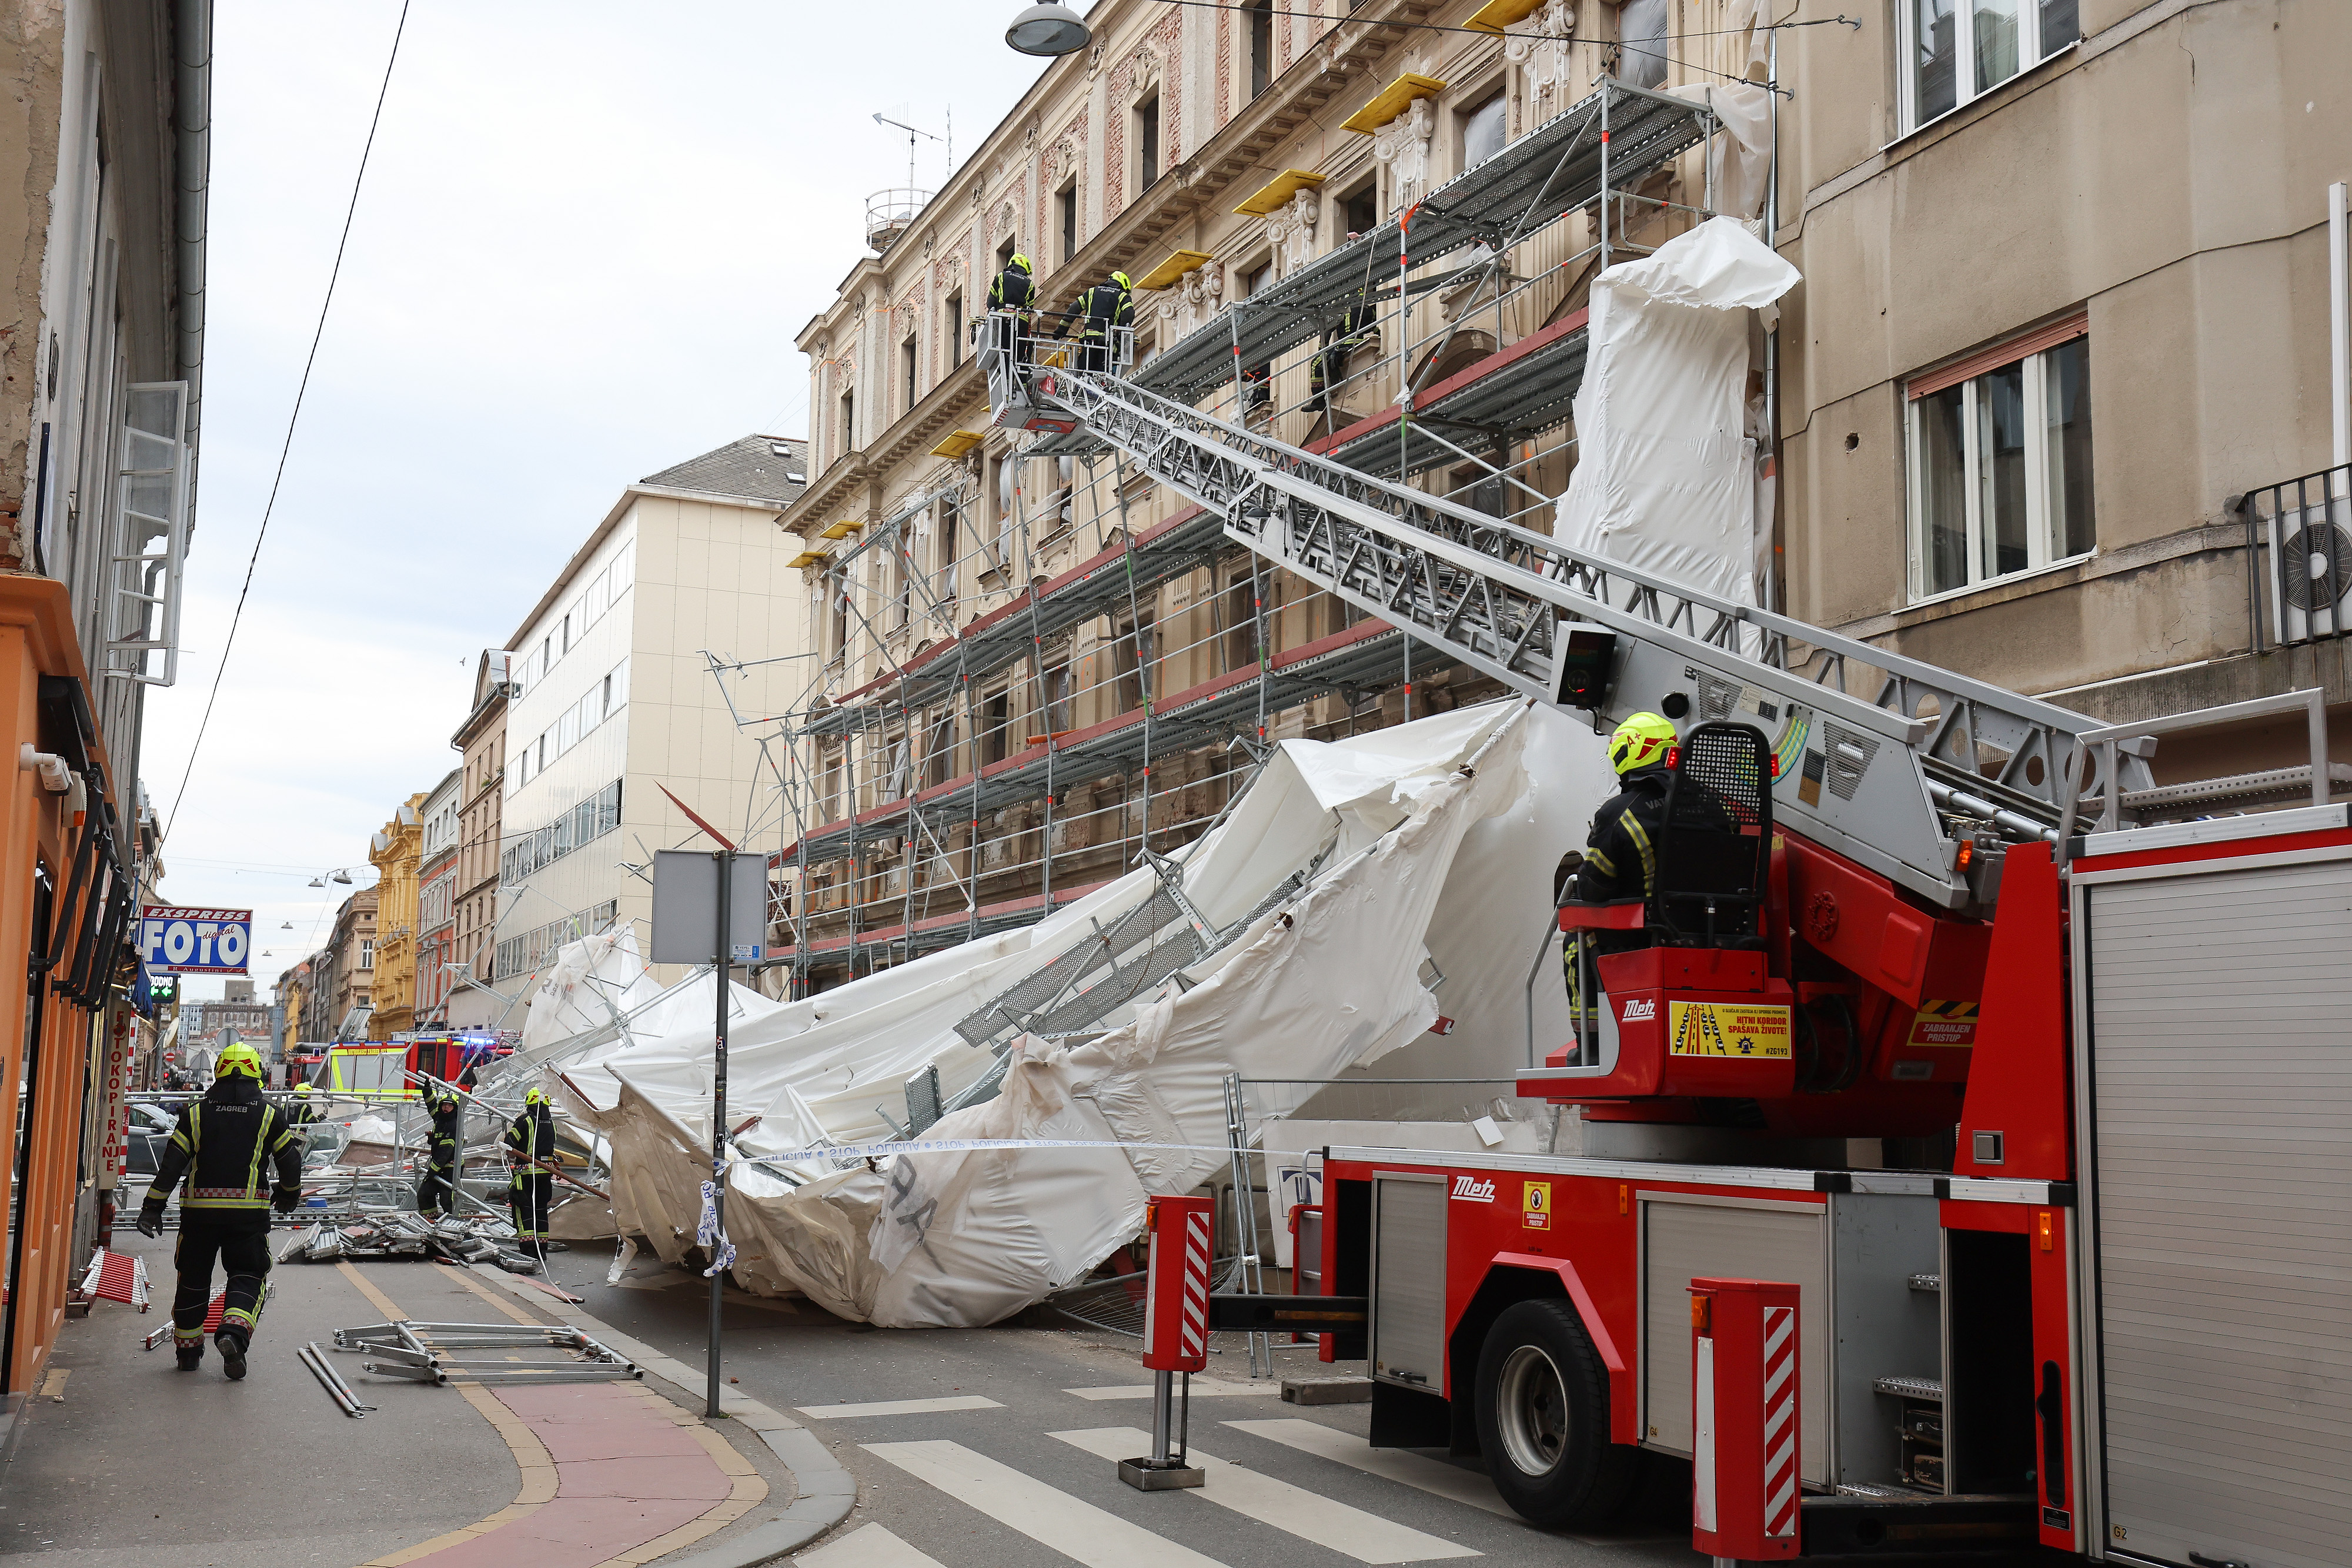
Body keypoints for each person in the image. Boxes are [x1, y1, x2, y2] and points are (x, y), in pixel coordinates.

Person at [136, 1043, 302, 1378]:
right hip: (248, 1216)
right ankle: (232, 1335)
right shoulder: (268, 1114)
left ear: (219, 1072)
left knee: (193, 1280)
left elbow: (172, 1165)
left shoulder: (196, 1113)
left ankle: (187, 1353)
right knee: (248, 1275)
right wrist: (288, 1194)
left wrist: (152, 1207)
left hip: (199, 1216)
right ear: (257, 1071)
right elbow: (290, 1161)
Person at [1563, 713, 1679, 1015]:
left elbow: (1593, 891)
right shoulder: (1712, 803)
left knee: (1576, 938)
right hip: (1715, 933)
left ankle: (1591, 1039)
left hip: (1644, 935)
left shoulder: (1620, 812)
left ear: (1629, 751)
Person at [502, 1086, 558, 1259]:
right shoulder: (552, 1123)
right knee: (541, 1209)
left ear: (529, 1102)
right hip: (544, 1176)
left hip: (526, 1176)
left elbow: (510, 1146)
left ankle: (528, 1249)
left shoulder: (524, 1120)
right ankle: (542, 1249)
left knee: (523, 1210)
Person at [1071, 270, 1134, 373]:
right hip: (1106, 342)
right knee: (1102, 374)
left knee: (1084, 371)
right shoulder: (1122, 295)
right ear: (1124, 286)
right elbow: (1129, 314)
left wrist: (1061, 329)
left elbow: (1074, 308)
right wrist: (1122, 333)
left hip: (1089, 339)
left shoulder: (1092, 292)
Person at [417, 1087, 463, 1219]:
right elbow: (431, 1105)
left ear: (455, 1109)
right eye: (444, 1105)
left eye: (450, 1106)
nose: (446, 1108)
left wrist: (432, 1172)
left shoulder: (453, 1125)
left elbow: (445, 1152)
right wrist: (427, 1090)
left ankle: (454, 1224)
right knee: (424, 1193)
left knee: (446, 1198)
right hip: (438, 1165)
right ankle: (431, 1221)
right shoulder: (439, 1119)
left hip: (451, 1167)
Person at [987, 252, 1037, 363]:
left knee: (1004, 350)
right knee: (1020, 355)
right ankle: (1022, 379)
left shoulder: (1001, 277)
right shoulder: (1030, 284)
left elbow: (991, 301)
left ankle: (1007, 373)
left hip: (1003, 318)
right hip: (1021, 321)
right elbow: (1030, 307)